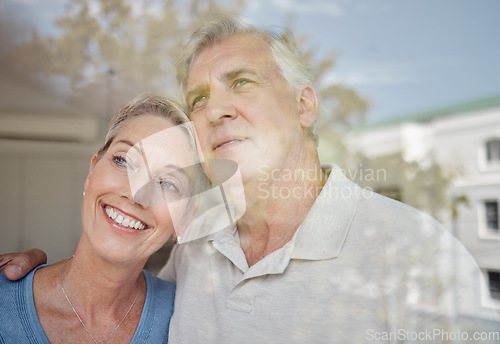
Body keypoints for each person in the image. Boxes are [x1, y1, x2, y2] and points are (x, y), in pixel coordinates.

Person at [2, 14, 500, 343]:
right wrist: (36, 274)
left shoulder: (417, 253)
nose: (216, 108)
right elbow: (119, 287)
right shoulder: (198, 245)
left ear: (304, 105)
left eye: (242, 82)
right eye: (198, 99)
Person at [0, 94, 202, 343]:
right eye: (124, 160)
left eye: (168, 183)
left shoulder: (189, 321)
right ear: (91, 172)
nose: (135, 194)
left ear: (186, 218)